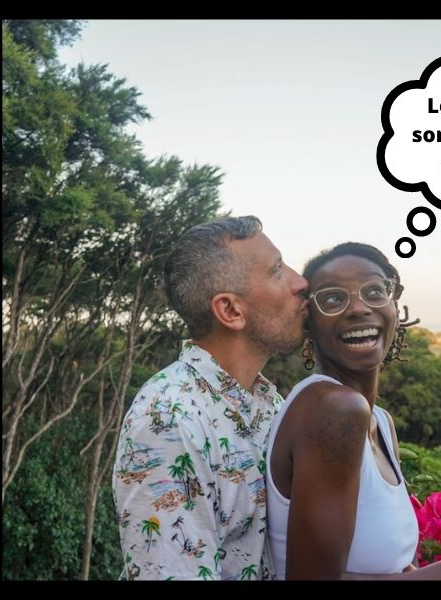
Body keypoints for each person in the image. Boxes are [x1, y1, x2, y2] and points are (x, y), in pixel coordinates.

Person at [266, 242, 441, 580]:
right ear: (310, 323)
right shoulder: (333, 409)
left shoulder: (380, 421)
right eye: (332, 298)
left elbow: (393, 569)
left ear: (394, 306)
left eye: (375, 291)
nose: (358, 308)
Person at [112, 216, 308, 580]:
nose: (301, 282)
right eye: (278, 271)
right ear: (231, 311)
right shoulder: (169, 421)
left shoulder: (271, 406)